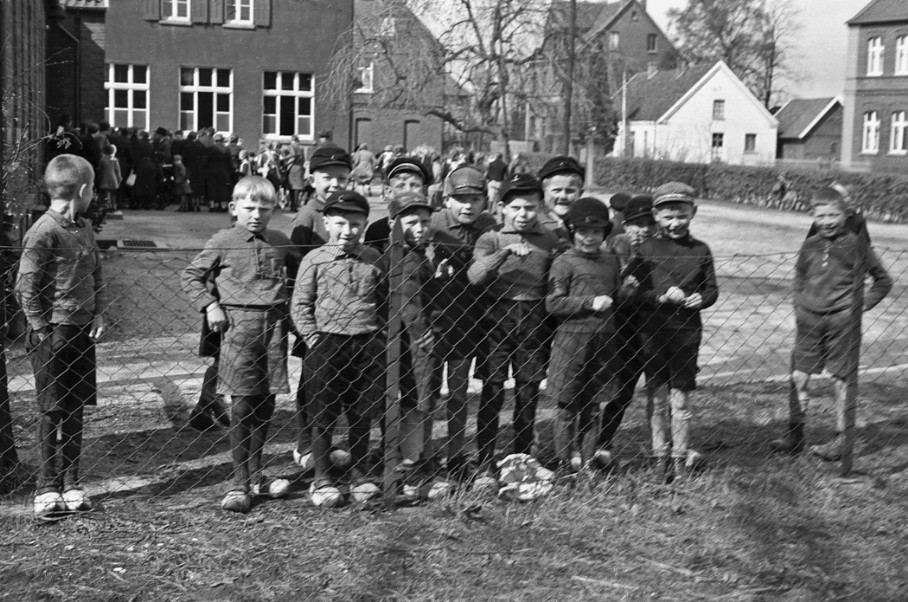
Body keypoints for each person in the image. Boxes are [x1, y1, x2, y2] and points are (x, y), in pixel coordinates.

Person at [182, 176, 300, 513]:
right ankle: (237, 482)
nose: (256, 214)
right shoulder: (223, 240)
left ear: (273, 210)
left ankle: (257, 474)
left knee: (266, 403)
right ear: (234, 208)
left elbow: (303, 271)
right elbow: (190, 276)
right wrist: (210, 305)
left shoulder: (280, 241)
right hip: (237, 329)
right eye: (249, 208)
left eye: (264, 208)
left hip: (274, 329)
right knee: (242, 405)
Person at [770, 187, 892, 460]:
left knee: (840, 378)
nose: (827, 221)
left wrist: (857, 308)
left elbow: (883, 281)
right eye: (821, 215)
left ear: (846, 214)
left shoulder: (856, 244)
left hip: (841, 323)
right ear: (812, 215)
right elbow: (800, 276)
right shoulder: (810, 243)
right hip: (809, 321)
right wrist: (799, 304)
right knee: (800, 376)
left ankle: (841, 439)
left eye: (833, 215)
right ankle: (795, 434)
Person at [16, 154, 107, 516]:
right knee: (51, 410)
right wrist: (40, 329)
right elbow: (26, 285)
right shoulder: (43, 231)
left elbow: (97, 273)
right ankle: (46, 486)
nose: (94, 196)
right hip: (51, 334)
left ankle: (72, 482)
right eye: (94, 190)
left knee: (76, 410)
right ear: (83, 190)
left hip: (82, 334)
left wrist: (99, 311)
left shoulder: (84, 228)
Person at [291, 191, 385, 507]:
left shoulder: (373, 258)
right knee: (323, 413)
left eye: (356, 224)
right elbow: (300, 305)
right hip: (326, 344)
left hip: (367, 346)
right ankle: (322, 479)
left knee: (361, 413)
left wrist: (379, 337)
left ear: (365, 224)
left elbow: (385, 301)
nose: (348, 231)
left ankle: (359, 475)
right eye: (341, 223)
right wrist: (315, 341)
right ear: (328, 221)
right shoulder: (314, 259)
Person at [467, 174, 560, 491]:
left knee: (527, 393)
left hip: (534, 318)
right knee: (492, 393)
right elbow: (475, 276)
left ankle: (521, 462)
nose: (523, 214)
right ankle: (484, 464)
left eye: (530, 207)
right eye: (516, 207)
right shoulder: (490, 238)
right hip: (497, 318)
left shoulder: (550, 240)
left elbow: (559, 280)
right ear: (503, 207)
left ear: (539, 207)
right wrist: (505, 253)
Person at [626, 182, 718, 481]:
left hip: (686, 333)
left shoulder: (701, 250)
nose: (675, 222)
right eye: (668, 217)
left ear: (693, 212)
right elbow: (632, 293)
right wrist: (658, 296)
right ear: (656, 216)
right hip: (653, 333)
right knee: (656, 397)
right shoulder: (646, 250)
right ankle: (659, 457)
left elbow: (712, 289)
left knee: (681, 398)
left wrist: (701, 299)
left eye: (681, 215)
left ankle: (679, 457)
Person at [546, 197, 626, 477]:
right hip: (571, 344)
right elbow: (553, 304)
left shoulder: (610, 261)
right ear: (571, 231)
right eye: (582, 231)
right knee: (567, 406)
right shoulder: (564, 262)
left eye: (596, 232)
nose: (589, 237)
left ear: (605, 233)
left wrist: (628, 290)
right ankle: (564, 465)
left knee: (593, 406)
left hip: (603, 344)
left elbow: (616, 297)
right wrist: (589, 303)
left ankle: (588, 463)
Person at [287, 146, 353, 474]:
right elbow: (297, 272)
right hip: (313, 316)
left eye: (342, 178)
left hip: (342, 316)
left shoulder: (346, 211)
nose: (335, 184)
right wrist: (304, 322)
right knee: (311, 383)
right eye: (328, 178)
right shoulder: (307, 218)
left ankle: (328, 440)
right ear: (312, 179)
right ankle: (305, 443)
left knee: (337, 381)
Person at [430, 166, 497, 478]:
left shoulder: (488, 228)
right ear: (447, 199)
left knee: (458, 393)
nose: (468, 205)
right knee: (426, 393)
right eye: (460, 199)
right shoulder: (431, 225)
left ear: (485, 201)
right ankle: (422, 454)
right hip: (433, 322)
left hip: (467, 322)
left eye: (475, 198)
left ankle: (455, 453)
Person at [385, 192, 448, 498]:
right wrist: (424, 330)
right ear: (394, 225)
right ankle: (411, 466)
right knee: (417, 401)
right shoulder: (406, 259)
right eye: (412, 222)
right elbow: (409, 302)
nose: (422, 227)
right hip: (415, 343)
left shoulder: (418, 254)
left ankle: (417, 456)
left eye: (425, 221)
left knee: (419, 400)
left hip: (414, 340)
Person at [597, 195, 656, 460]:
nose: (643, 229)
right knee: (614, 389)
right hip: (622, 329)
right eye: (636, 223)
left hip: (653, 330)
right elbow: (609, 289)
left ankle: (663, 449)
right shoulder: (617, 246)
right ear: (625, 223)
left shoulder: (662, 248)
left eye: (649, 223)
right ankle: (599, 444)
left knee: (637, 391)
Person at [364, 156, 433, 253]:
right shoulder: (377, 230)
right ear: (389, 192)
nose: (408, 190)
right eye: (400, 186)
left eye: (415, 185)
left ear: (424, 190)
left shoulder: (431, 227)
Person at [536, 156, 585, 244]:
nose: (563, 196)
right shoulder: (533, 224)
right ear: (543, 192)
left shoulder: (586, 224)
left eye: (570, 190)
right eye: (556, 190)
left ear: (580, 194)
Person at [97, 144, 122, 212]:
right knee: (113, 194)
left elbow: (100, 170)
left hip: (105, 179)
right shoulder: (115, 160)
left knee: (106, 193)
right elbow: (118, 171)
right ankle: (114, 206)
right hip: (114, 179)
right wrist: (119, 179)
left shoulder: (102, 159)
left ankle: (107, 207)